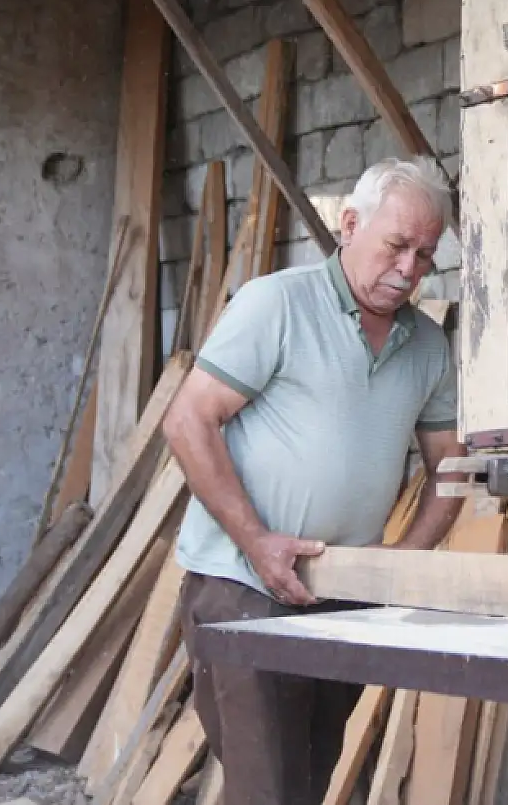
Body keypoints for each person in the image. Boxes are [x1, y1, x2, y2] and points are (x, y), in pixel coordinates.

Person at [162, 156, 465, 805]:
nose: (410, 268)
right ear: (349, 223)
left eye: (426, 253)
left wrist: (404, 560)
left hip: (342, 595)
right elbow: (188, 421)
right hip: (242, 586)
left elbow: (452, 466)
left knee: (306, 781)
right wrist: (257, 539)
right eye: (396, 245)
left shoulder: (428, 347)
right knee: (267, 791)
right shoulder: (278, 303)